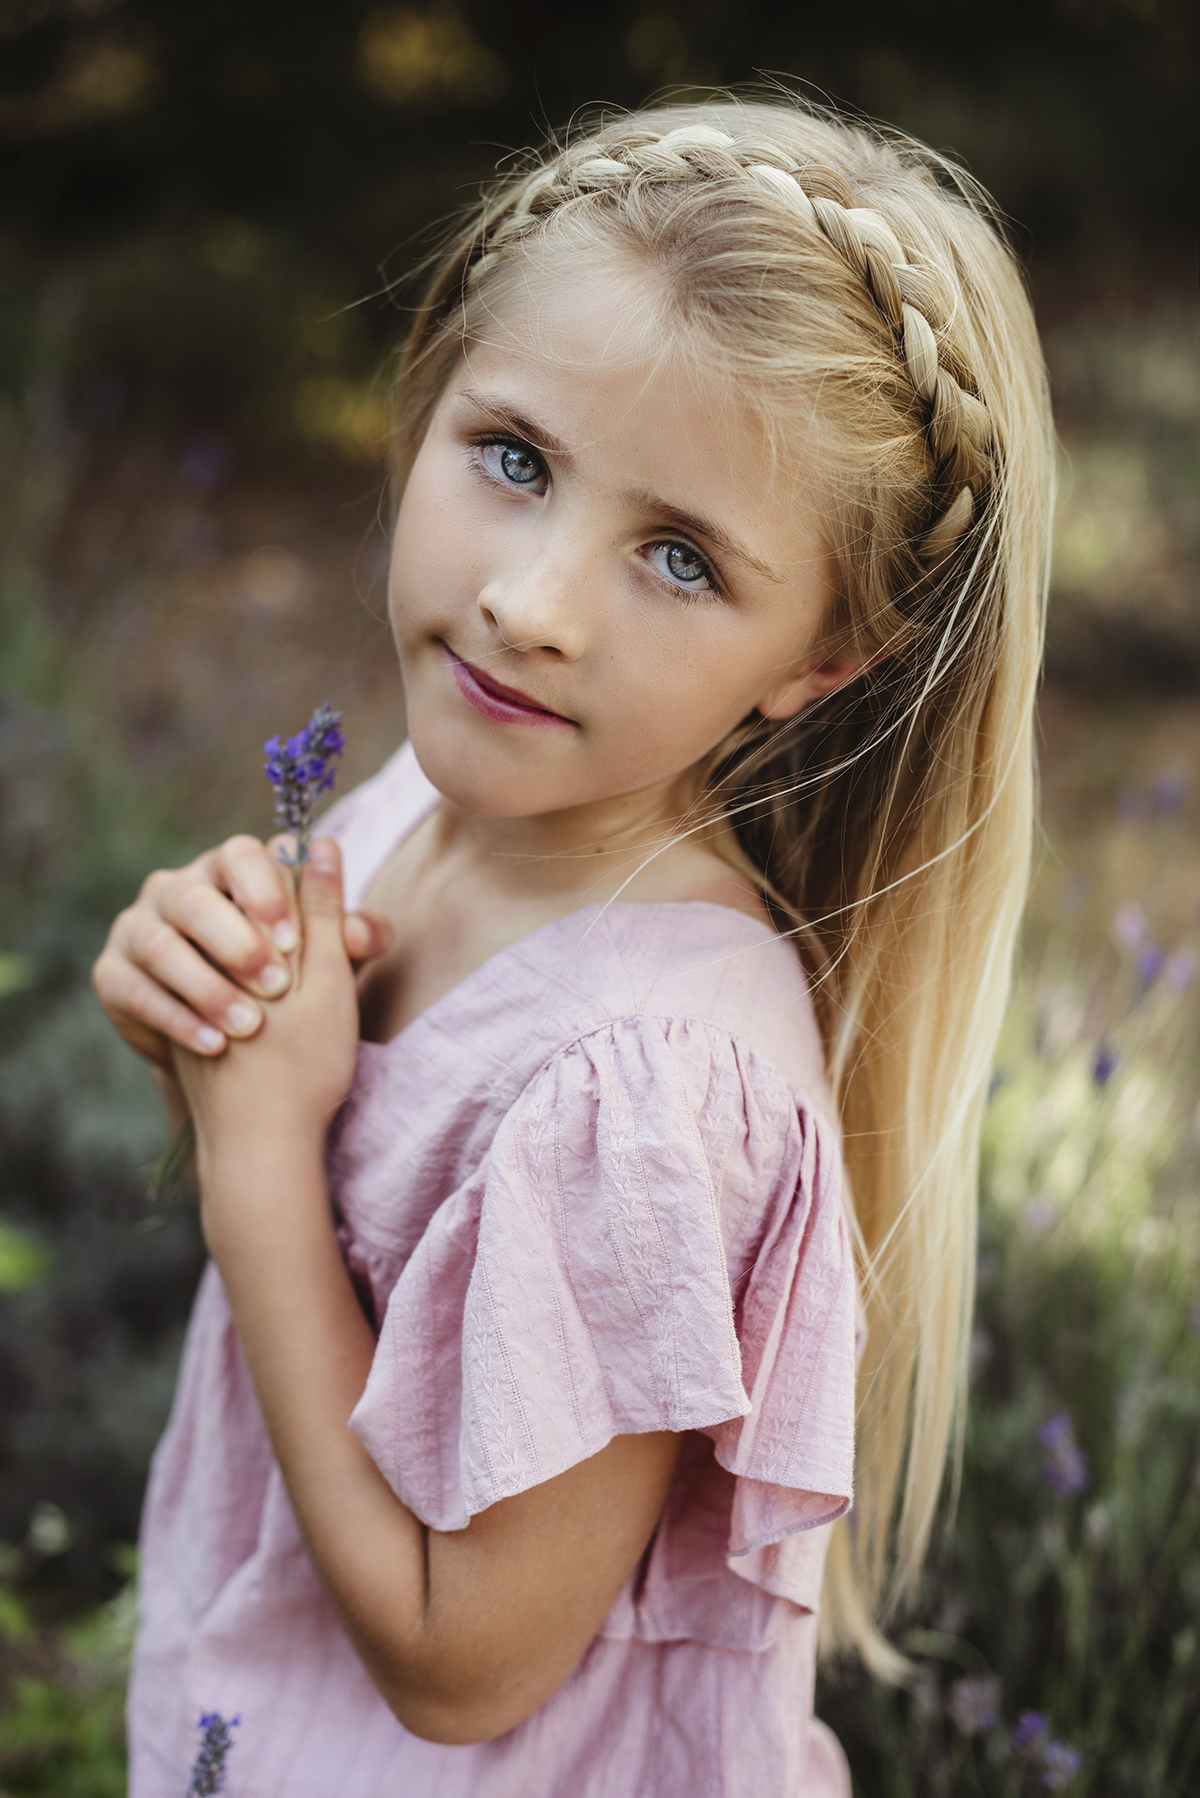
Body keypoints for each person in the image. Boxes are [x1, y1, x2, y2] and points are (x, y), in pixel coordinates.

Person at [93, 95, 1052, 1797]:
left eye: (678, 559)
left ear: (819, 658)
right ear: (429, 394)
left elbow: (464, 1663)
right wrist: (211, 1021)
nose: (535, 601)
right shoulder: (416, 800)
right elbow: (345, 1206)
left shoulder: (653, 1095)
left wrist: (249, 1159)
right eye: (516, 457)